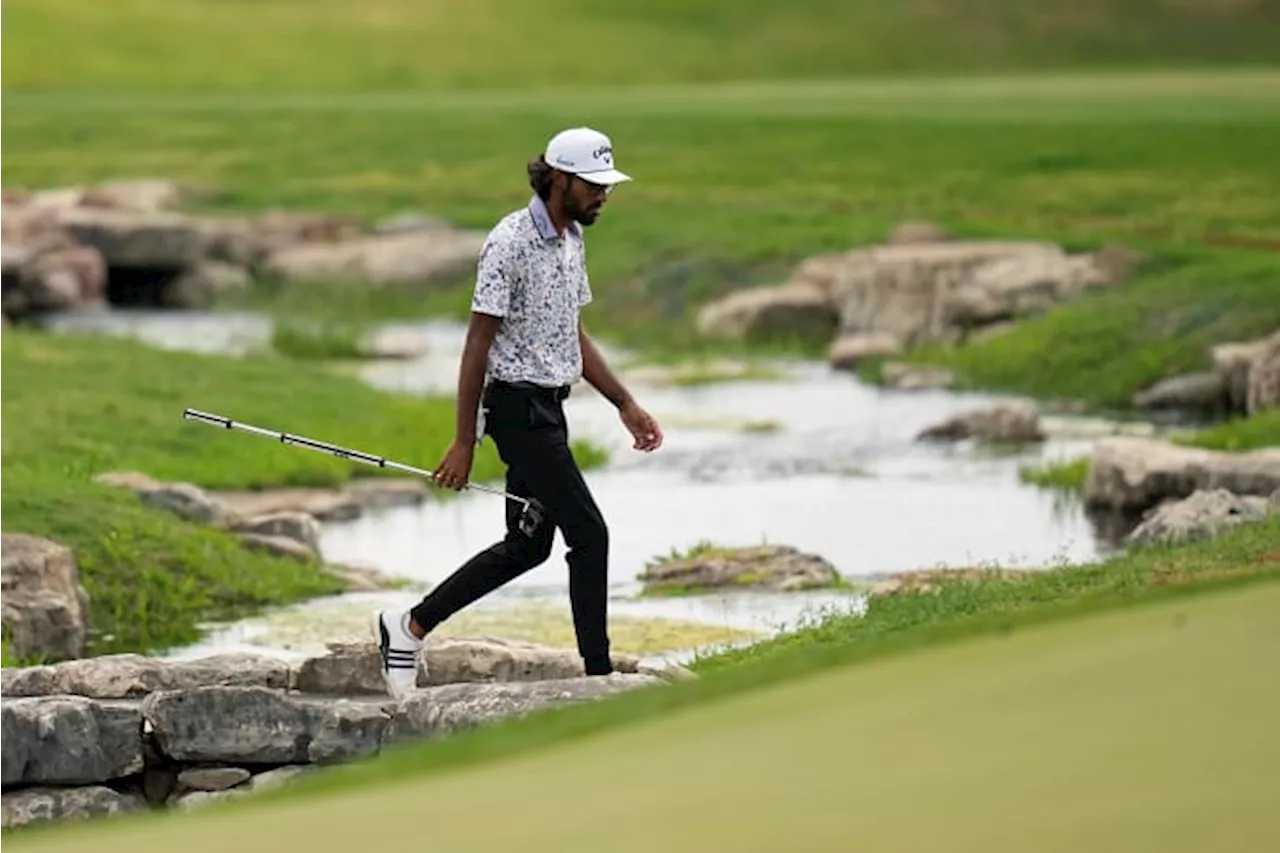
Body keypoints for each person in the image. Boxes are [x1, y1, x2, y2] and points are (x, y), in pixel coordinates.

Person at [372, 126, 664, 699]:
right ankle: (598, 677)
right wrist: (463, 441)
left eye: (607, 185)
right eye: (594, 184)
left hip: (551, 409)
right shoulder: (508, 242)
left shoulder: (572, 238)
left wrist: (625, 402)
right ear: (559, 178)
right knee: (590, 534)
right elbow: (476, 345)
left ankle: (407, 627)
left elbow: (571, 334)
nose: (604, 195)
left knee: (529, 546)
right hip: (516, 411)